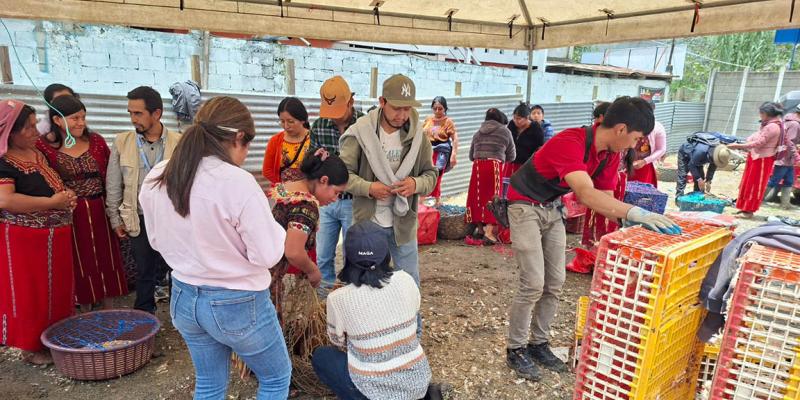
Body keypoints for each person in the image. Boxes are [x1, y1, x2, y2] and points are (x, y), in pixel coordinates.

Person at [504, 96, 681, 381]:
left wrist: (629, 226)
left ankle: (538, 343)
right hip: (523, 204)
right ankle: (516, 349)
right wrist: (636, 212)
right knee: (533, 282)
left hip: (551, 207)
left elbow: (606, 199)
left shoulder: (609, 154)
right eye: (636, 138)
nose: (636, 146)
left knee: (556, 281)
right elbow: (586, 194)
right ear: (621, 129)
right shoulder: (570, 141)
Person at [139, 96, 291, 399]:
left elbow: (155, 240)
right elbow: (267, 255)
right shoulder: (237, 182)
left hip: (183, 296)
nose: (246, 154)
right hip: (236, 302)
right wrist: (275, 227)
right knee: (275, 378)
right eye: (247, 145)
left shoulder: (159, 174)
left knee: (209, 383)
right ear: (237, 138)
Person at [339, 74, 438, 332]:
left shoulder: (418, 137)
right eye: (397, 108)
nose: (402, 115)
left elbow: (431, 174)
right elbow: (342, 176)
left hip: (402, 223)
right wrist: (369, 188)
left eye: (407, 108)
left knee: (409, 282)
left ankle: (410, 337)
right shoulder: (360, 133)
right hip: (368, 223)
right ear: (382, 102)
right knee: (366, 282)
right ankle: (369, 336)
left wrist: (415, 185)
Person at [312, 220, 434, 400]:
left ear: (348, 256)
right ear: (385, 253)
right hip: (418, 385)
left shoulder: (337, 298)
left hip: (373, 392)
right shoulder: (406, 279)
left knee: (321, 356)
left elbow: (337, 342)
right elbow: (415, 318)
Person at [0, 100, 77, 365]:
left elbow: (49, 185)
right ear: (9, 131)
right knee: (31, 293)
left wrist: (66, 197)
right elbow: (6, 201)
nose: (36, 131)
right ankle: (32, 346)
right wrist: (53, 203)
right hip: (26, 241)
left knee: (57, 290)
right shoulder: (4, 162)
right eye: (28, 128)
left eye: (35, 125)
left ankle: (56, 338)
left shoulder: (36, 153)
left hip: (55, 237)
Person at [36, 95, 127, 311]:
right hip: (71, 214)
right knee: (80, 258)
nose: (81, 123)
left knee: (107, 256)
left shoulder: (95, 141)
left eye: (83, 117)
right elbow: (44, 179)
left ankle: (109, 308)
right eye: (75, 118)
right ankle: (85, 310)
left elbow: (111, 176)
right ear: (58, 120)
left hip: (100, 210)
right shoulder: (43, 147)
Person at [106, 86, 181, 314]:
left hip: (171, 219)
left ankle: (183, 317)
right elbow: (113, 183)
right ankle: (145, 320)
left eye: (138, 113)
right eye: (130, 113)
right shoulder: (122, 142)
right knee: (144, 272)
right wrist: (115, 219)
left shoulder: (179, 142)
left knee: (176, 269)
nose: (133, 119)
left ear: (156, 114)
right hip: (138, 218)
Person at [268, 148, 349, 316]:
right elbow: (294, 252)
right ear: (324, 180)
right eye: (336, 192)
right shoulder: (305, 206)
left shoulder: (288, 188)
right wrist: (312, 270)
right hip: (274, 276)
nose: (335, 199)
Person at [310, 76, 364, 289]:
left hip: (355, 202)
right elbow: (311, 163)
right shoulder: (320, 125)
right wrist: (317, 160)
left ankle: (352, 302)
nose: (332, 118)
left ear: (350, 102)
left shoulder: (364, 124)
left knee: (354, 257)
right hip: (327, 203)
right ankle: (324, 307)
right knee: (323, 257)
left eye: (337, 111)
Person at [728, 102, 794, 218]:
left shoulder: (772, 127)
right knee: (747, 183)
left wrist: (739, 146)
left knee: (755, 185)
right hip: (756, 157)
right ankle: (744, 207)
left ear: (767, 113)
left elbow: (759, 143)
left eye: (761, 113)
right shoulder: (769, 124)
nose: (760, 115)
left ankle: (749, 210)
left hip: (762, 159)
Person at [581, 101, 628, 250]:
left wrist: (628, 217)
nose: (633, 145)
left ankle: (603, 244)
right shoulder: (580, 138)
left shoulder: (614, 151)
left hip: (606, 186)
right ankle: (597, 244)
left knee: (603, 212)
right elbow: (584, 191)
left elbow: (605, 191)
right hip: (593, 187)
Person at [466, 108, 516, 244]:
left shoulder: (477, 133)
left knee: (477, 197)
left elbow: (471, 155)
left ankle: (480, 230)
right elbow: (512, 156)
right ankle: (489, 233)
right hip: (494, 166)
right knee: (493, 197)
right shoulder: (505, 132)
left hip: (477, 166)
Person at [262, 97, 312, 184]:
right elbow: (267, 170)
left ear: (302, 120)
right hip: (284, 193)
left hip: (309, 193)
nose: (286, 126)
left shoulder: (314, 139)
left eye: (290, 121)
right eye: (282, 121)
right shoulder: (275, 140)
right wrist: (283, 186)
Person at [422, 96, 458, 206]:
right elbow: (422, 134)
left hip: (442, 152)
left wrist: (454, 155)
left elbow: (455, 138)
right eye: (435, 108)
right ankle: (424, 200)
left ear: (445, 109)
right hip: (428, 151)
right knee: (425, 175)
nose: (437, 111)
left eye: (440, 108)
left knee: (437, 176)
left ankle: (436, 200)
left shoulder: (448, 122)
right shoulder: (428, 120)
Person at [764, 104, 800, 208]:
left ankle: (785, 204)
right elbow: (790, 142)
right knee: (775, 179)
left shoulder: (790, 121)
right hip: (785, 157)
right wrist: (797, 157)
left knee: (789, 180)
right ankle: (760, 200)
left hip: (788, 158)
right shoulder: (795, 124)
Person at [675, 133, 732, 198]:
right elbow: (691, 165)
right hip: (685, 153)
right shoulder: (701, 151)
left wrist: (708, 181)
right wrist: (699, 180)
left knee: (701, 176)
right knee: (683, 174)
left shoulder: (718, 155)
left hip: (697, 159)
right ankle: (679, 196)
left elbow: (712, 168)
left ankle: (697, 196)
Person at [628, 101, 666, 187]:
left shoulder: (657, 127)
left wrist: (645, 161)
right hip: (626, 164)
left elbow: (662, 149)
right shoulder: (629, 123)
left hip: (644, 167)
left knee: (642, 195)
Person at [505, 102, 545, 179]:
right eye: (514, 118)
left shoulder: (536, 128)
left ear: (527, 117)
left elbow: (540, 148)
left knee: (520, 188)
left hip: (526, 165)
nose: (516, 120)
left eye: (519, 118)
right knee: (506, 187)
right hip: (510, 164)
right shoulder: (511, 125)